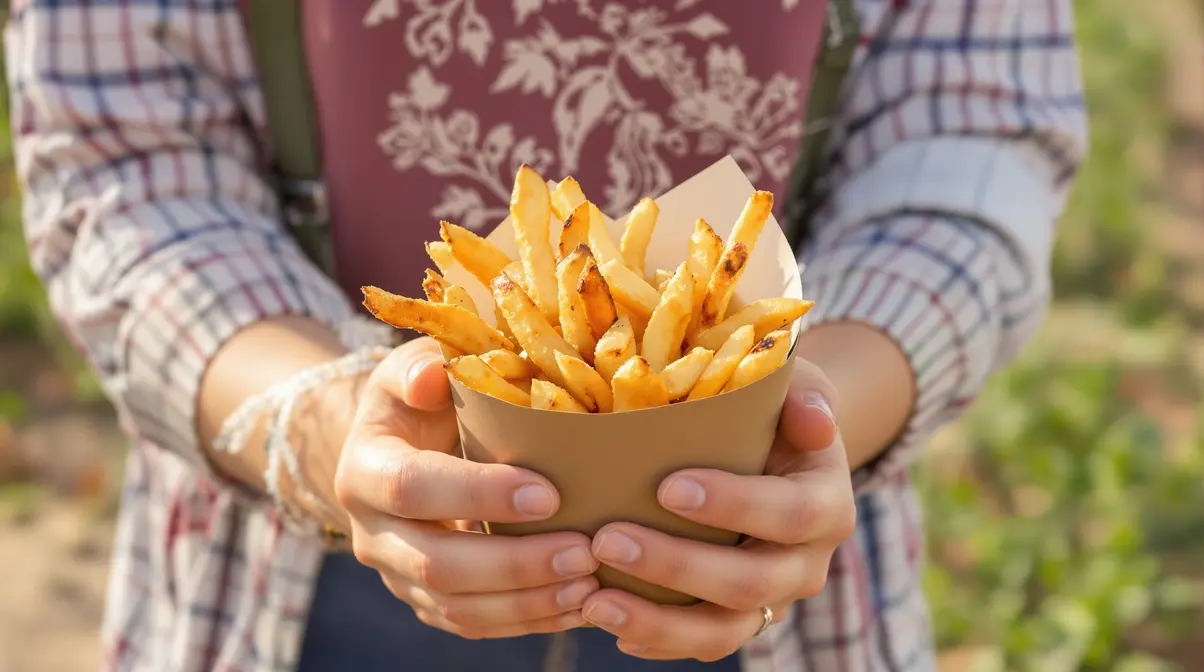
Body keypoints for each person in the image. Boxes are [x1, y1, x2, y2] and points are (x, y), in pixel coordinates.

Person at [6, 0, 1087, 670]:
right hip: (285, 585)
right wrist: (330, 431)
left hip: (792, 593)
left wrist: (807, 428)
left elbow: (968, 139)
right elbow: (126, 167)